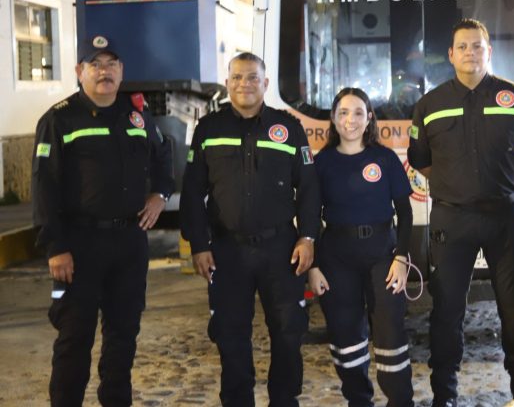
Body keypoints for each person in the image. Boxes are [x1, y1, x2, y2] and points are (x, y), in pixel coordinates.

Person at [32, 35, 174, 406]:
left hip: (129, 244)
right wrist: (56, 247)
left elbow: (164, 157)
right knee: (73, 339)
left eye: (111, 64)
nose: (104, 72)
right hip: (78, 247)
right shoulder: (59, 119)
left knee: (123, 336)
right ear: (80, 71)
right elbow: (43, 186)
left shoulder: (137, 115)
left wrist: (160, 194)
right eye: (95, 64)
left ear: (121, 72)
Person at [407, 18, 514, 407]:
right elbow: (422, 161)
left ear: (488, 51)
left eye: (477, 45)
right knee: (446, 311)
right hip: (453, 219)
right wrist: (457, 186)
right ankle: (444, 395)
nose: (470, 52)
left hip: (507, 218)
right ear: (450, 55)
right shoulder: (429, 105)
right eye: (462, 46)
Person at [180, 52, 320, 406]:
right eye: (238, 77)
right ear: (227, 83)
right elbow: (193, 192)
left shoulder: (288, 127)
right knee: (230, 335)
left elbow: (309, 188)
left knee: (289, 334)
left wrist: (307, 237)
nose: (245, 84)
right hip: (227, 251)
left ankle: (283, 400)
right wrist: (199, 244)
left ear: (265, 83)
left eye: (253, 77)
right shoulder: (208, 129)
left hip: (280, 249)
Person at [307, 87, 414, 407]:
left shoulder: (384, 158)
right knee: (345, 335)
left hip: (383, 252)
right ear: (333, 119)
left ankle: (400, 401)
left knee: (390, 332)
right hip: (336, 256)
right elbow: (309, 216)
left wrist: (401, 258)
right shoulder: (321, 162)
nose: (350, 120)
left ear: (369, 118)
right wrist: (312, 267)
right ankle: (359, 400)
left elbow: (405, 213)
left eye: (357, 112)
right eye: (343, 112)